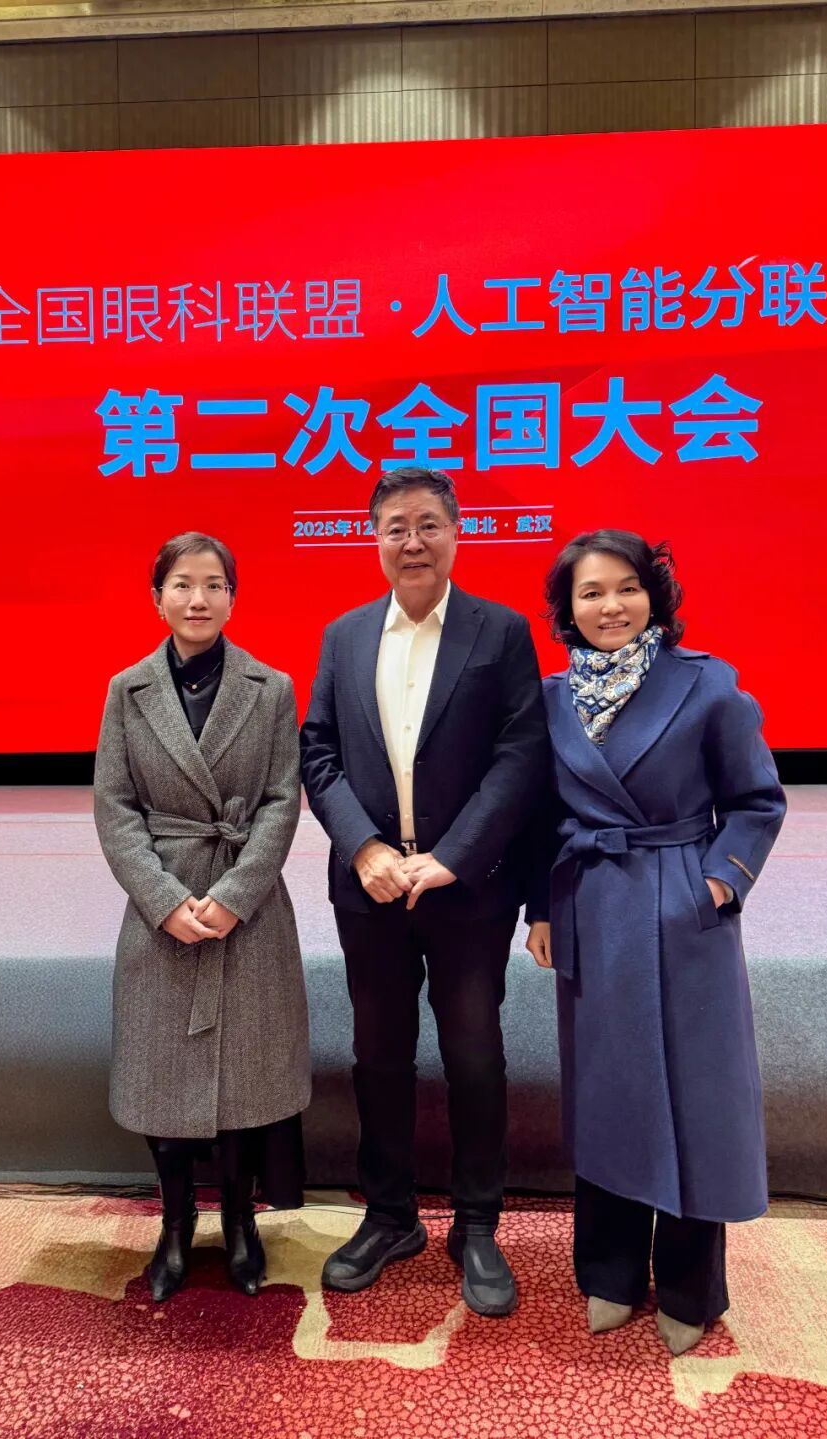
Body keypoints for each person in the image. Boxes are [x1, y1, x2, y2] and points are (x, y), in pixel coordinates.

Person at [525, 530, 785, 1355]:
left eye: (626, 588)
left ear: (654, 595)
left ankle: (687, 1285)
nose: (611, 606)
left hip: (681, 907)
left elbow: (757, 800)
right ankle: (608, 1272)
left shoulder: (706, 684)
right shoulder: (550, 697)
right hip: (591, 905)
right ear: (567, 609)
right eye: (591, 592)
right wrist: (540, 910)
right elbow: (540, 817)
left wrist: (717, 883)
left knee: (694, 1099)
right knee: (606, 1092)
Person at [300, 467, 549, 1318]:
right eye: (396, 527)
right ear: (374, 539)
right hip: (370, 888)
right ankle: (390, 1214)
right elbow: (319, 752)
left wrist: (452, 856)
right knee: (379, 1056)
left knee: (475, 1055)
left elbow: (520, 756)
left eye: (428, 525)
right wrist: (364, 847)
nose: (412, 541)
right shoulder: (343, 635)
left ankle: (477, 1223)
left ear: (456, 533)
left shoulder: (500, 631)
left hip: (466, 889)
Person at [94, 532, 311, 1301]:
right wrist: (163, 901)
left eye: (214, 584)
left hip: (247, 913)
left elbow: (282, 801)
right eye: (182, 584)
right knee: (163, 1079)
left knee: (246, 1081)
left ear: (232, 596)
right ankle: (176, 1221)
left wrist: (236, 894)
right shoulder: (128, 690)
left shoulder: (271, 687)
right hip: (162, 915)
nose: (198, 599)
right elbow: (116, 809)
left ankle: (242, 1220)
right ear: (157, 597)